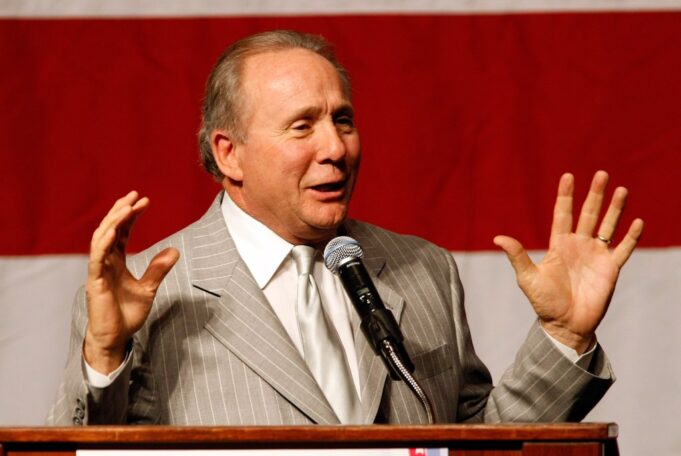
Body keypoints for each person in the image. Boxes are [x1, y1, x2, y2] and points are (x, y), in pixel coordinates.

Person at [47, 30, 643, 426]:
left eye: (343, 120)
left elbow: (479, 445)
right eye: (302, 126)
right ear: (230, 153)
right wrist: (104, 356)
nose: (336, 148)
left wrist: (562, 336)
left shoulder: (424, 270)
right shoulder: (148, 294)